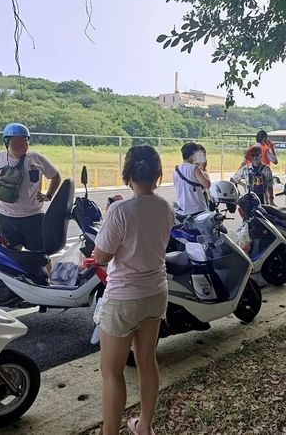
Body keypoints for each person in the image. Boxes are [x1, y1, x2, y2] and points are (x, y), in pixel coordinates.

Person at [93, 145, 173, 435]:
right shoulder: (165, 206)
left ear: (127, 174)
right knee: (146, 360)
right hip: (156, 292)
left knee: (111, 372)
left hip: (124, 298)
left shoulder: (120, 210)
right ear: (157, 174)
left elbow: (101, 256)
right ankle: (145, 426)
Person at [0, 123, 61, 252]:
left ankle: (47, 274)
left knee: (41, 255)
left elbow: (56, 176)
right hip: (6, 218)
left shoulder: (36, 158)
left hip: (33, 217)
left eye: (25, 142)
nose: (23, 146)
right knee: (13, 255)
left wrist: (48, 195)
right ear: (7, 142)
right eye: (17, 143)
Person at [173, 142, 211, 217]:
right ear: (192, 154)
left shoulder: (176, 170)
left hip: (182, 208)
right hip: (196, 209)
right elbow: (207, 184)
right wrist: (203, 171)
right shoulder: (194, 168)